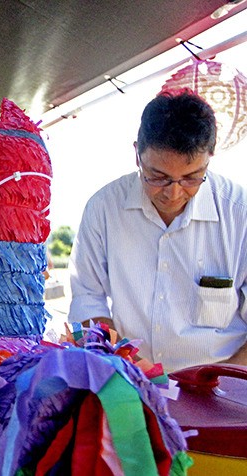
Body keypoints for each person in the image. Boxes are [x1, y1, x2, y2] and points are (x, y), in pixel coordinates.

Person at [68, 90, 247, 372]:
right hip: (130, 378)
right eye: (158, 177)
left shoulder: (240, 213)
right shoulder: (103, 208)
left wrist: (228, 379)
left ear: (209, 158)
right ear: (137, 154)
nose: (174, 193)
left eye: (191, 178)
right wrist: (129, 365)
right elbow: (88, 300)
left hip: (224, 382)